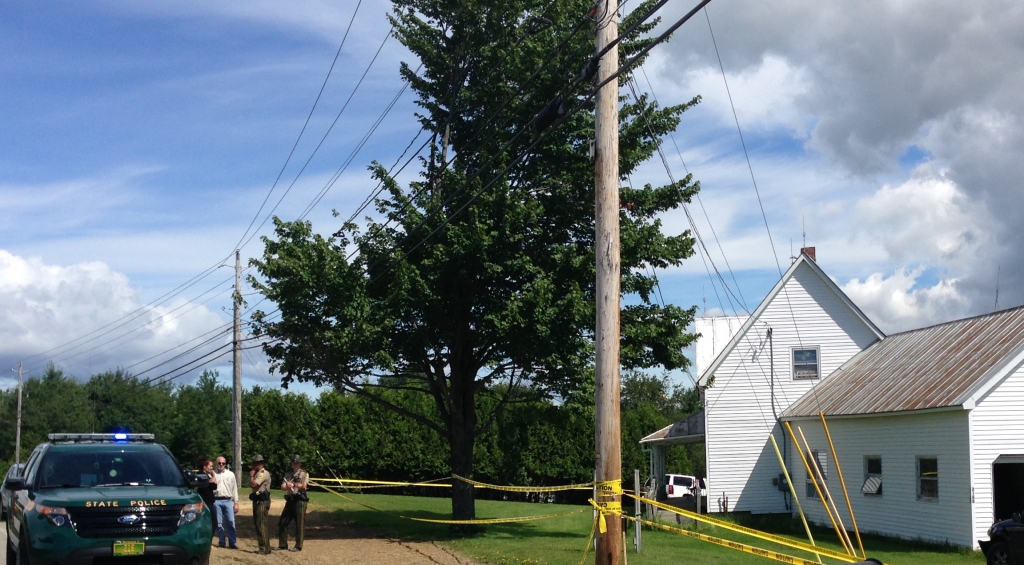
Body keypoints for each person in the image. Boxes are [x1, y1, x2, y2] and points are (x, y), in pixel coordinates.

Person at [277, 455, 309, 552]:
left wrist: (294, 484)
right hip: (290, 500)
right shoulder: (288, 474)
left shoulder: (304, 474)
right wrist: (287, 485)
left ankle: (298, 546)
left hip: (299, 500)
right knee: (282, 522)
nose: (295, 465)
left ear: (300, 464)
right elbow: (282, 487)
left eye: (297, 463)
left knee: (299, 524)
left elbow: (304, 486)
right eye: (293, 463)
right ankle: (283, 544)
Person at [213, 456, 239, 549]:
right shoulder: (213, 474)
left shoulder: (230, 474)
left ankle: (232, 542)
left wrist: (236, 502)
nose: (221, 465)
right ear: (217, 463)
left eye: (223, 463)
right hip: (216, 501)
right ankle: (222, 542)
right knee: (219, 523)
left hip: (228, 500)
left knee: (231, 522)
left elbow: (234, 488)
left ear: (225, 464)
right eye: (219, 463)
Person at [249, 454, 272, 555]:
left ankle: (264, 548)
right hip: (257, 500)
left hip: (262, 501)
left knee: (261, 525)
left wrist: (251, 476)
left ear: (258, 464)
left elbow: (254, 484)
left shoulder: (263, 473)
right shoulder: (259, 473)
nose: (253, 465)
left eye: (254, 463)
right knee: (259, 524)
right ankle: (264, 547)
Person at [195, 457, 219, 534]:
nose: (212, 468)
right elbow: (213, 486)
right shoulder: (201, 475)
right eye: (210, 466)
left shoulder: (206, 476)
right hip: (206, 502)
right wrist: (213, 476)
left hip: (209, 501)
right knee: (213, 523)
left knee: (212, 522)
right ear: (204, 467)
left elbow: (213, 486)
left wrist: (211, 479)